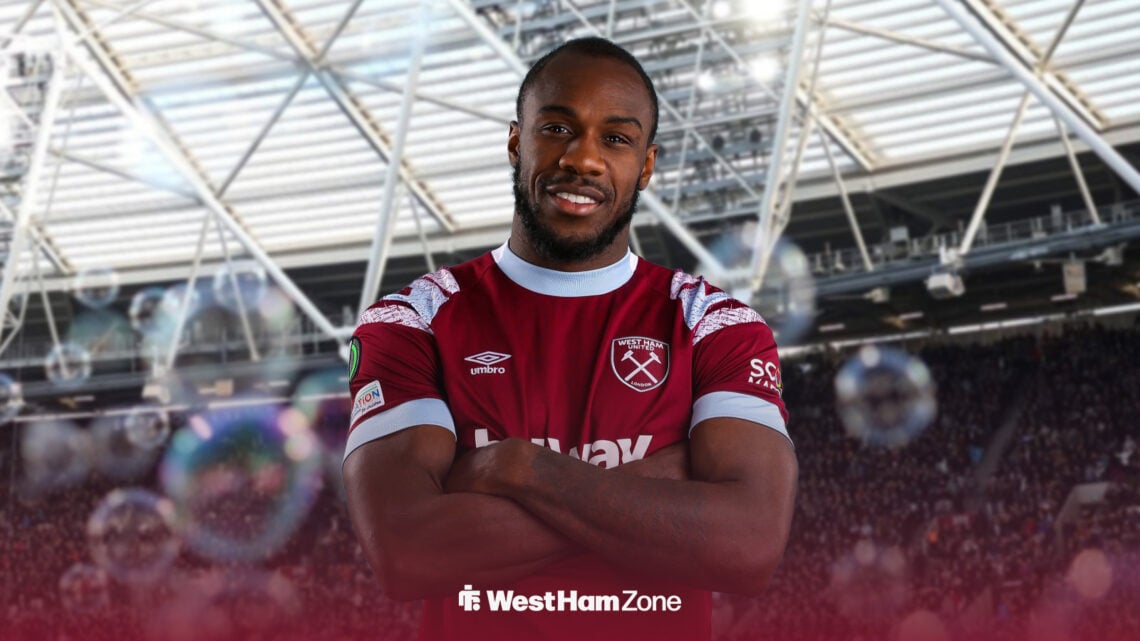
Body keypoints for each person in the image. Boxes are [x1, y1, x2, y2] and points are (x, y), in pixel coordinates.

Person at [342, 37, 797, 641]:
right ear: (515, 142)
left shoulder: (717, 325)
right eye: (557, 128)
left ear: (648, 164)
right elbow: (407, 552)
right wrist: (658, 485)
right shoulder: (409, 321)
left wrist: (520, 466)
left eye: (616, 138)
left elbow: (746, 546)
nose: (583, 159)